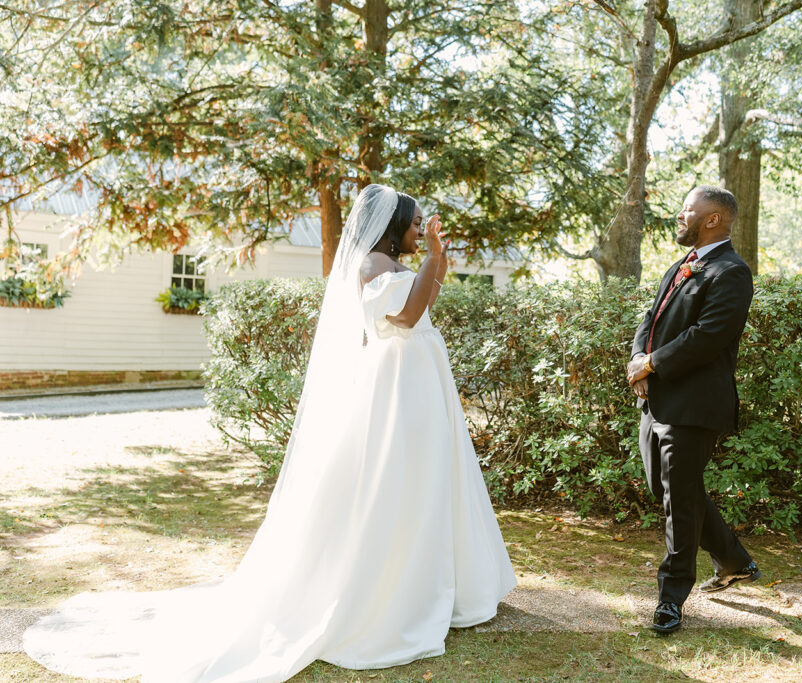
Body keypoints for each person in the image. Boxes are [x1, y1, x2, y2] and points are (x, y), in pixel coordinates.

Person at [24, 183, 517, 681]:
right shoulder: (372, 266)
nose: (418, 231)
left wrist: (437, 258)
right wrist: (432, 254)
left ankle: (449, 584)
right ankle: (397, 588)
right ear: (391, 229)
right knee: (402, 480)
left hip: (421, 379)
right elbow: (408, 317)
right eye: (413, 225)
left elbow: (426, 295)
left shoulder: (394, 266)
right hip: (398, 384)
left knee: (434, 475)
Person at [626, 185, 760, 635]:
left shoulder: (732, 272)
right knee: (665, 492)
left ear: (713, 220)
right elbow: (652, 319)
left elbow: (708, 336)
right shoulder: (681, 266)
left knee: (680, 504)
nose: (679, 217)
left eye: (688, 211)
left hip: (695, 405)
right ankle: (736, 561)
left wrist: (654, 363)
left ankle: (671, 598)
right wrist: (638, 363)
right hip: (658, 400)